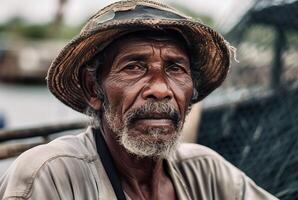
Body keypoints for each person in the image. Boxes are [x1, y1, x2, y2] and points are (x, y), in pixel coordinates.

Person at [0, 1, 278, 199]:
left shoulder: (206, 171)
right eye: (134, 67)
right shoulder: (50, 175)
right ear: (94, 89)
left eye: (174, 68)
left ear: (190, 93)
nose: (160, 89)